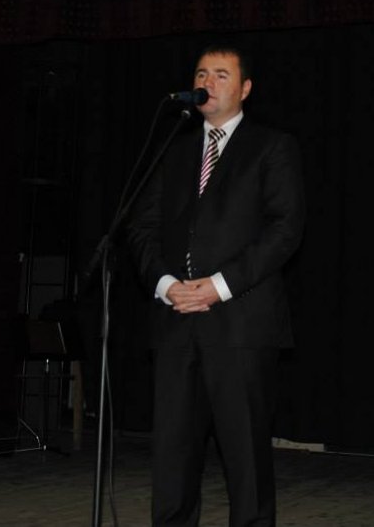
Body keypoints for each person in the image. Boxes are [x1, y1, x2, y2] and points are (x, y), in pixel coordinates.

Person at [128, 44, 306, 527]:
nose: (208, 82)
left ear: (245, 88)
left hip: (241, 323)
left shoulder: (271, 146)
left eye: (221, 74)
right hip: (176, 321)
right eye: (201, 73)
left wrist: (219, 286)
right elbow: (140, 227)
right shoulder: (175, 149)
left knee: (245, 457)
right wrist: (166, 284)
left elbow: (285, 230)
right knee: (172, 455)